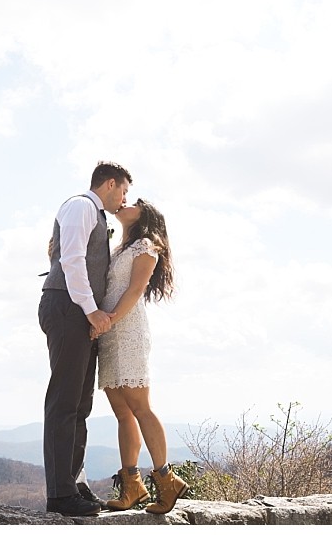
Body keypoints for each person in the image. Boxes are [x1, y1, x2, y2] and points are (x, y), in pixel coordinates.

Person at [38, 161, 132, 517]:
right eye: (123, 191)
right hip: (67, 307)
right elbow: (73, 260)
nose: (124, 199)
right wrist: (92, 310)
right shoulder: (80, 205)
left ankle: (74, 483)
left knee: (80, 404)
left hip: (76, 310)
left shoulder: (97, 214)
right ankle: (60, 495)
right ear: (109, 184)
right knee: (64, 401)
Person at [95, 198, 189, 514]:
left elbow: (135, 290)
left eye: (133, 201)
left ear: (144, 214)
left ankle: (167, 480)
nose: (124, 203)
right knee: (122, 411)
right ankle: (133, 485)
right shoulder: (120, 248)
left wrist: (109, 319)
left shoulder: (146, 245)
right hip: (108, 331)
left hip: (127, 330)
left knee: (140, 407)